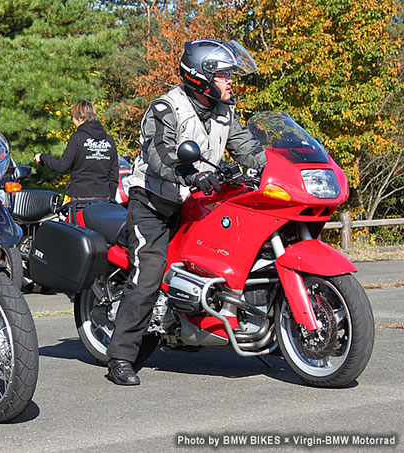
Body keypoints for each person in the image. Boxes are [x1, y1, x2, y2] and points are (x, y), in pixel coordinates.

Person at [105, 39, 267, 386]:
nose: (230, 81)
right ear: (201, 77)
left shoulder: (226, 110)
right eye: (224, 75)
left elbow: (248, 148)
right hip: (153, 203)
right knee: (148, 275)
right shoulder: (167, 108)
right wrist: (192, 174)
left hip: (197, 202)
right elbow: (159, 155)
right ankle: (121, 356)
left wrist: (270, 170)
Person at [34, 100, 118, 206]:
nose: (73, 121)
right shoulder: (109, 140)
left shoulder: (77, 138)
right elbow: (114, 175)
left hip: (80, 200)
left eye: (74, 118)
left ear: (81, 118)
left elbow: (62, 167)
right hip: (103, 199)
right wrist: (111, 199)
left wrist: (43, 157)